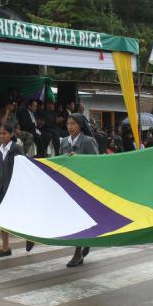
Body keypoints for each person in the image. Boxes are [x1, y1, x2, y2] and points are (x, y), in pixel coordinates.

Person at [0, 124, 33, 257]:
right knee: (1, 218)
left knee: (19, 215)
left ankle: (29, 236)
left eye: (4, 134)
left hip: (13, 189)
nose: (2, 136)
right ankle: (5, 248)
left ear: (11, 134)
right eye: (0, 134)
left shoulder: (16, 148)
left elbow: (23, 168)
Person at [61, 114, 99, 268]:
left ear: (81, 125)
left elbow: (97, 162)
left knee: (82, 218)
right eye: (68, 123)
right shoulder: (64, 141)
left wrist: (79, 158)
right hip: (69, 185)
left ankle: (77, 253)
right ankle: (86, 241)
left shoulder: (88, 141)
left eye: (73, 124)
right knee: (73, 218)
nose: (70, 127)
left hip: (85, 186)